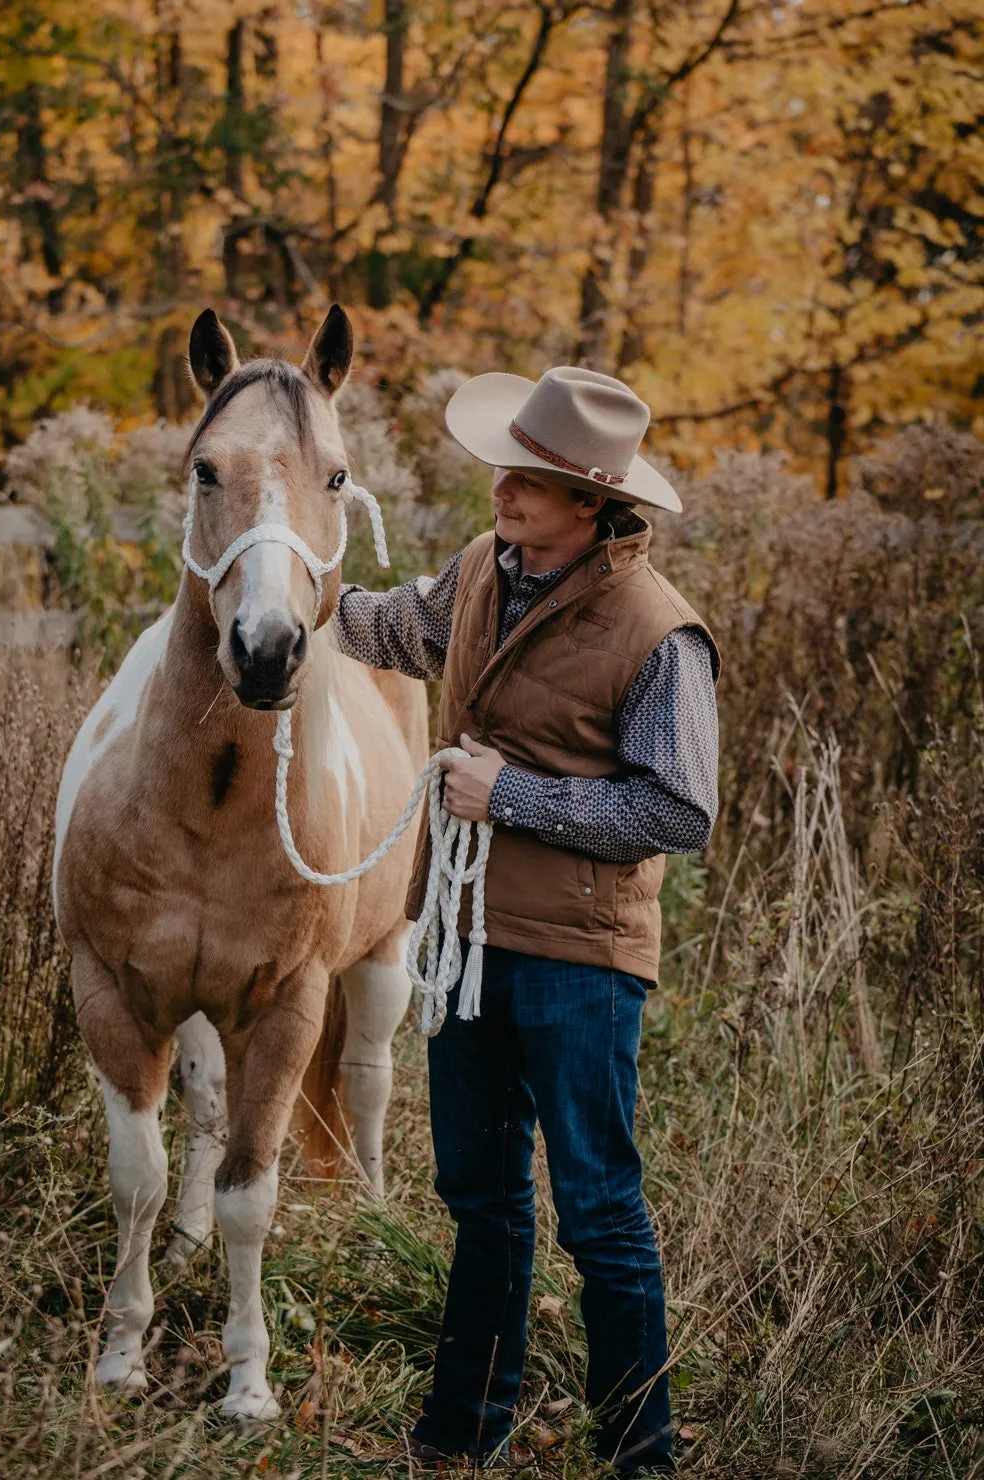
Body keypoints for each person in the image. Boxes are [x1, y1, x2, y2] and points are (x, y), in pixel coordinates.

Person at [333, 365, 720, 1474]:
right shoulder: (476, 571)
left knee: (597, 1212)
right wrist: (288, 581)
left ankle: (639, 1457)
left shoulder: (659, 632)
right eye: (508, 463)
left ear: (592, 503)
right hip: (463, 944)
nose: (503, 484)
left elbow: (678, 812)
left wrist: (509, 796)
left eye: (532, 476)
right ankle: (461, 1437)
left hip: (582, 960)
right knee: (481, 1201)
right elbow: (389, 626)